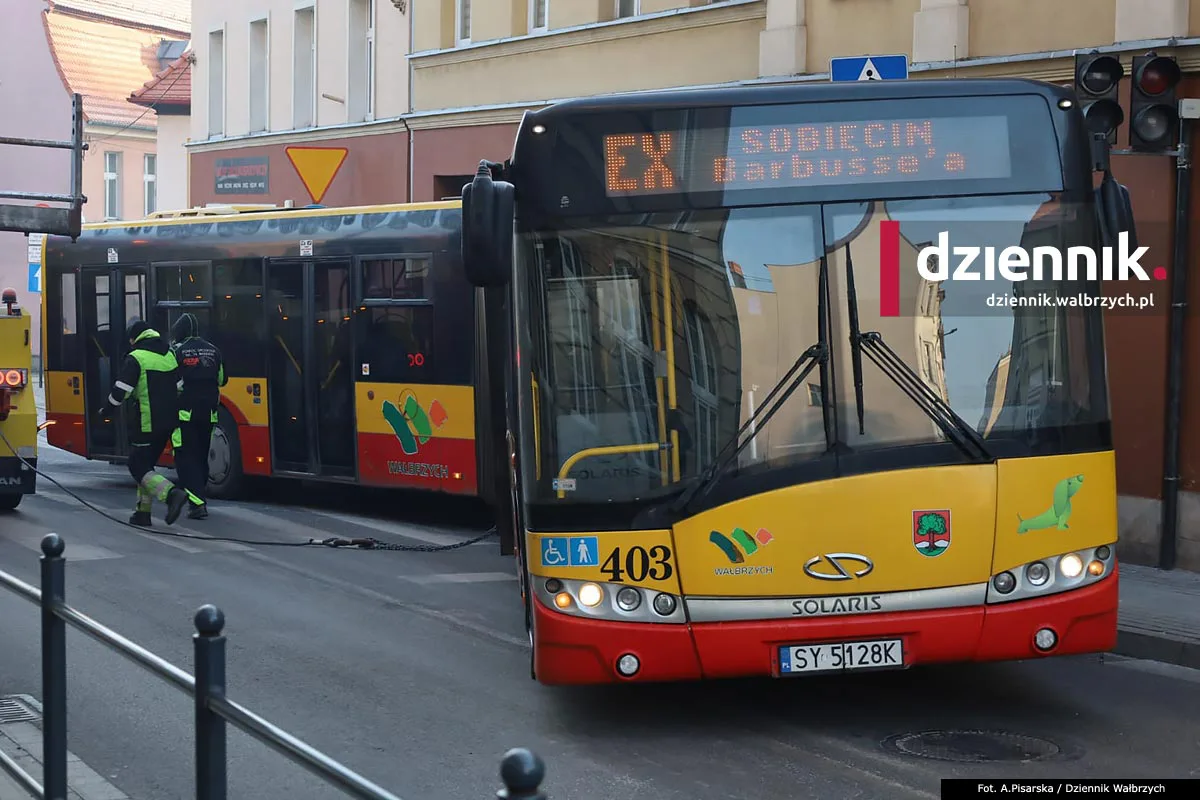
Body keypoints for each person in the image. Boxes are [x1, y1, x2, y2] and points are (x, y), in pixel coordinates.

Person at [97, 320, 188, 526]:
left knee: (137, 465)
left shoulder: (136, 357)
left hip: (146, 423)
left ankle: (171, 494)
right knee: (146, 467)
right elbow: (180, 386)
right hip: (169, 423)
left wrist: (106, 410)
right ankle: (142, 513)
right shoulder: (169, 355)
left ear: (135, 338)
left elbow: (121, 390)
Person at [170, 312, 226, 520]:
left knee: (185, 458)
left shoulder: (176, 351)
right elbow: (222, 379)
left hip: (184, 415)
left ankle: (197, 503)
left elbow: (171, 382)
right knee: (201, 457)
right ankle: (199, 497)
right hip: (209, 413)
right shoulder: (214, 350)